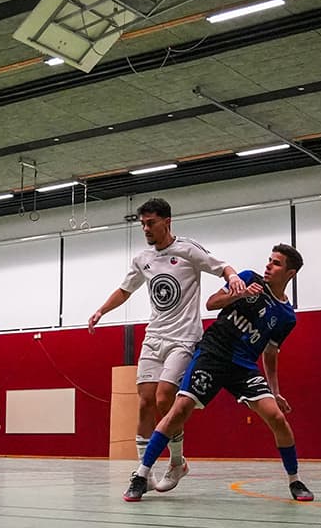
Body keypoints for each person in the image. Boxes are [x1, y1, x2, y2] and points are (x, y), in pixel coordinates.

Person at [126, 245, 311, 503]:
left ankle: (295, 480)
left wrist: (275, 392)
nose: (269, 265)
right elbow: (212, 303)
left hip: (243, 365)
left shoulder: (286, 317)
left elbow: (270, 354)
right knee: (179, 410)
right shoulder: (248, 278)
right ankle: (141, 475)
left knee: (276, 417)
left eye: (277, 263)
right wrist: (240, 294)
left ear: (290, 273)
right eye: (269, 260)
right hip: (213, 352)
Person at [88, 197, 244, 492]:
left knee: (163, 398)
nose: (146, 229)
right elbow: (125, 290)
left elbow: (221, 266)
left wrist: (233, 276)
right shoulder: (142, 260)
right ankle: (143, 473)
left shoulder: (187, 249)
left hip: (184, 338)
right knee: (145, 402)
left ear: (167, 222)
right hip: (154, 337)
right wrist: (100, 311)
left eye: (151, 223)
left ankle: (176, 462)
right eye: (143, 224)